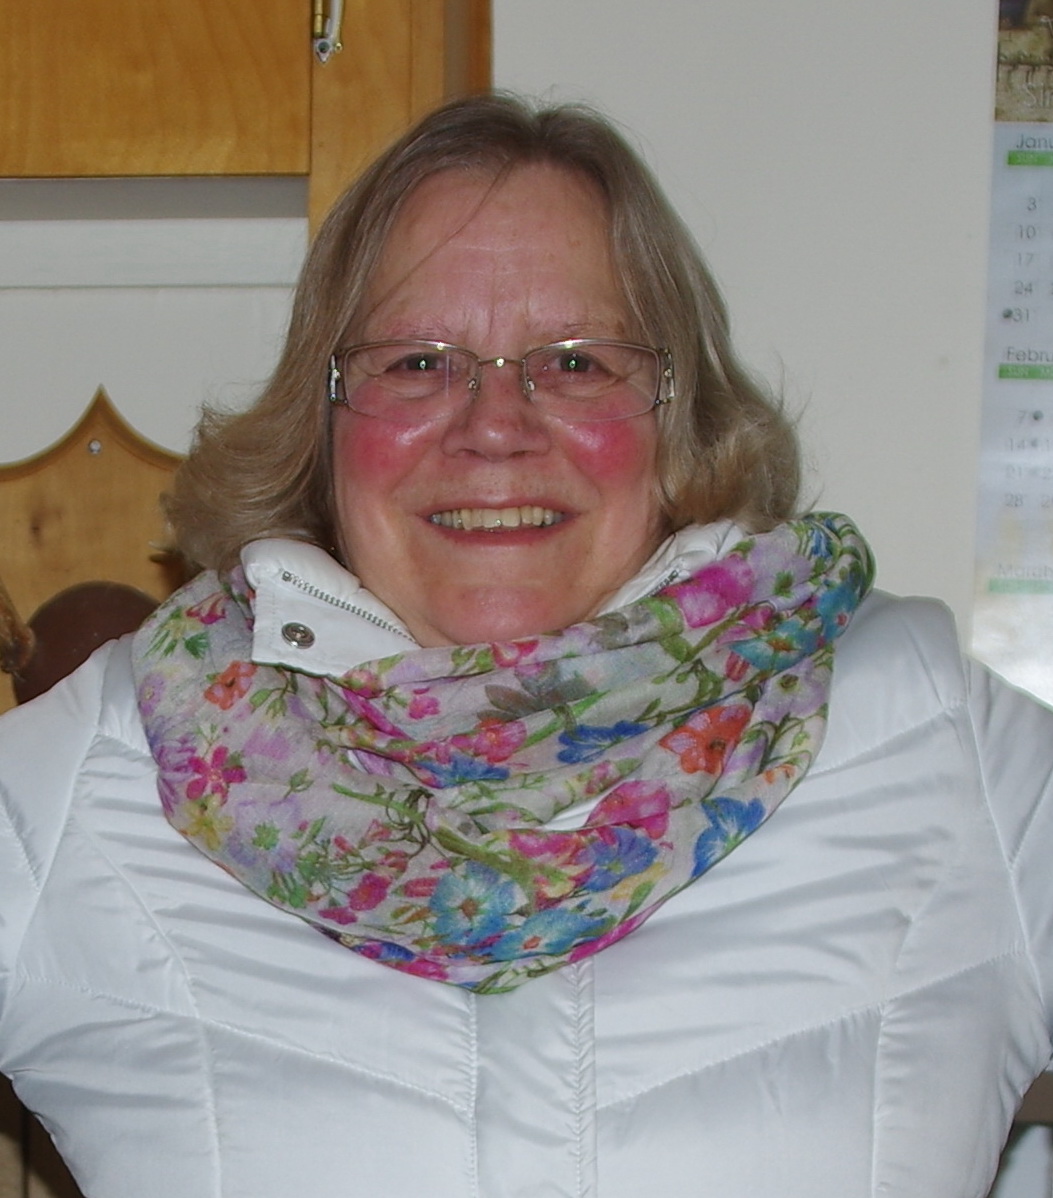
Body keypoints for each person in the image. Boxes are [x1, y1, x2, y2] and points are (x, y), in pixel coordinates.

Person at [0, 92, 1050, 1198]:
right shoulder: (106, 768)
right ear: (324, 417)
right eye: (419, 362)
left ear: (678, 414)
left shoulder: (936, 743)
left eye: (576, 362)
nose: (495, 427)